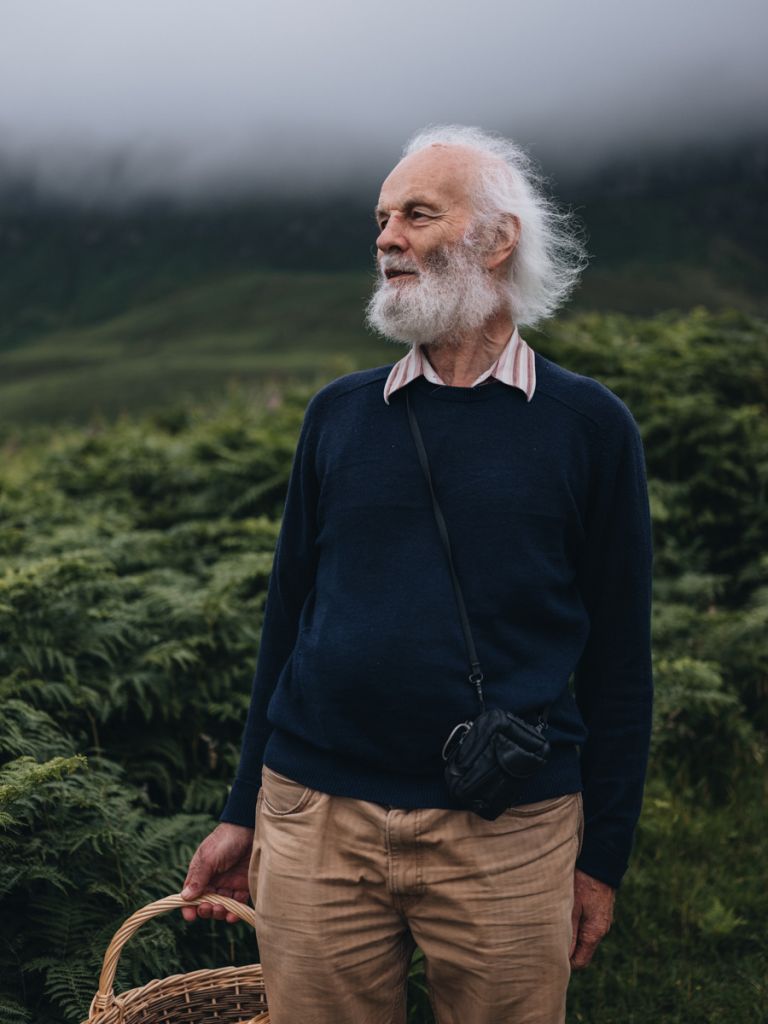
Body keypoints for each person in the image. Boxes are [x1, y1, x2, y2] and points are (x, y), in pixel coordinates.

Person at [181, 124, 654, 1024]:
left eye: (417, 214)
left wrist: (603, 861)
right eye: (382, 217)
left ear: (497, 238)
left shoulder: (589, 428)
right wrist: (245, 809)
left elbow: (622, 660)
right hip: (315, 817)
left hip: (510, 831)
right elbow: (288, 620)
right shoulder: (339, 415)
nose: (386, 237)